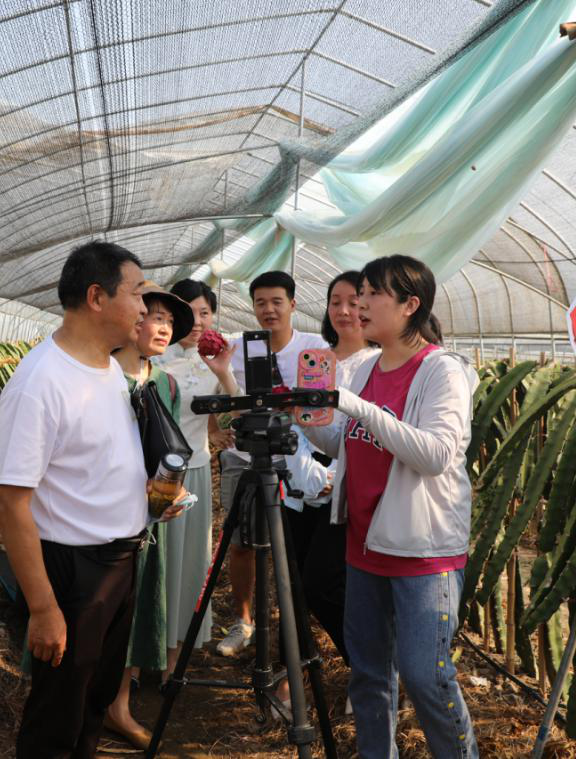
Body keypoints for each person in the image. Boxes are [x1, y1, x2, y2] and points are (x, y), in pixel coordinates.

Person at [0, 241, 184, 759]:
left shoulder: (106, 371)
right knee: (57, 715)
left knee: (93, 702)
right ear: (97, 297)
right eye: (138, 295)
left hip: (119, 564)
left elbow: (96, 462)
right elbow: (11, 505)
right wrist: (43, 607)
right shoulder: (41, 382)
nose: (146, 310)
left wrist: (148, 496)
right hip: (72, 573)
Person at [299, 255, 479, 758]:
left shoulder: (443, 371)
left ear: (410, 305)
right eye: (360, 292)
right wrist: (308, 417)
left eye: (373, 293)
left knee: (427, 677)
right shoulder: (364, 367)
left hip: (422, 550)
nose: (360, 303)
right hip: (365, 544)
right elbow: (346, 443)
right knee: (369, 674)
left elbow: (436, 454)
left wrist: (354, 405)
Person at [202, 270, 328, 661]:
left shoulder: (316, 347)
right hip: (244, 457)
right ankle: (244, 622)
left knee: (293, 545)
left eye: (277, 301)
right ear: (252, 307)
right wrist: (214, 431)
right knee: (241, 542)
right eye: (260, 302)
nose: (268, 310)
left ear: (292, 304)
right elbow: (207, 386)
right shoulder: (237, 347)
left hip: (298, 458)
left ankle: (295, 630)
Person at [103, 282, 194, 750]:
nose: (163, 326)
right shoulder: (98, 376)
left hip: (145, 519)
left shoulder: (165, 383)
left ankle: (118, 704)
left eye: (169, 321)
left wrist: (167, 496)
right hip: (98, 518)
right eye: (154, 316)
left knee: (135, 609)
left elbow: (168, 452)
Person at [280, 272, 378, 680]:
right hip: (303, 485)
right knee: (294, 586)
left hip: (345, 486)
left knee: (324, 582)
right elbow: (308, 424)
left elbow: (369, 432)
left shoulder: (378, 364)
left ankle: (368, 666)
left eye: (354, 302)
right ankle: (300, 675)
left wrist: (335, 475)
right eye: (335, 301)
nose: (343, 311)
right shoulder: (318, 358)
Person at [154, 279, 231, 681]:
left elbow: (228, 410)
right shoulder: (154, 357)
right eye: (190, 312)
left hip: (196, 471)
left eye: (205, 313)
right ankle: (140, 655)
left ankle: (173, 660)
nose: (197, 321)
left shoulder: (216, 362)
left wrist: (225, 374)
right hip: (156, 472)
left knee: (188, 565)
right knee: (156, 562)